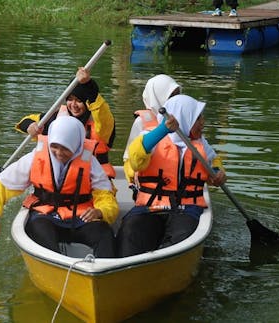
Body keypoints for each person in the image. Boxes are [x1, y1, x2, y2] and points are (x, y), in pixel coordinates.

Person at [0, 116, 119, 258]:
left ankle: (104, 271)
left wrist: (100, 212)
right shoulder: (35, 158)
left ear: (76, 145)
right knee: (40, 231)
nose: (58, 153)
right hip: (45, 217)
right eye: (54, 146)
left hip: (79, 218)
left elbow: (106, 197)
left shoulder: (90, 162)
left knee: (104, 233)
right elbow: (3, 183)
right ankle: (57, 268)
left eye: (65, 148)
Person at [116, 95, 227, 257]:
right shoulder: (151, 137)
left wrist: (218, 174)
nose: (202, 122)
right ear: (184, 119)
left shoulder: (201, 144)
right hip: (151, 206)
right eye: (198, 118)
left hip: (187, 209)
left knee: (182, 236)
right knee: (130, 230)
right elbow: (135, 160)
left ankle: (163, 263)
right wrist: (163, 130)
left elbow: (214, 164)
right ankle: (125, 268)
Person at [15, 67, 116, 179]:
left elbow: (99, 105)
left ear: (87, 102)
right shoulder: (56, 119)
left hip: (95, 181)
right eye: (70, 99)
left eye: (79, 101)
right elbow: (24, 121)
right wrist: (30, 126)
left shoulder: (101, 122)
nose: (73, 105)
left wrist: (88, 84)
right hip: (62, 181)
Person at [123, 74, 181, 186]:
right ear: (158, 97)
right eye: (171, 96)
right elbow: (130, 159)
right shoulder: (141, 122)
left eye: (177, 95)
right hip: (151, 184)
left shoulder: (183, 119)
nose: (176, 100)